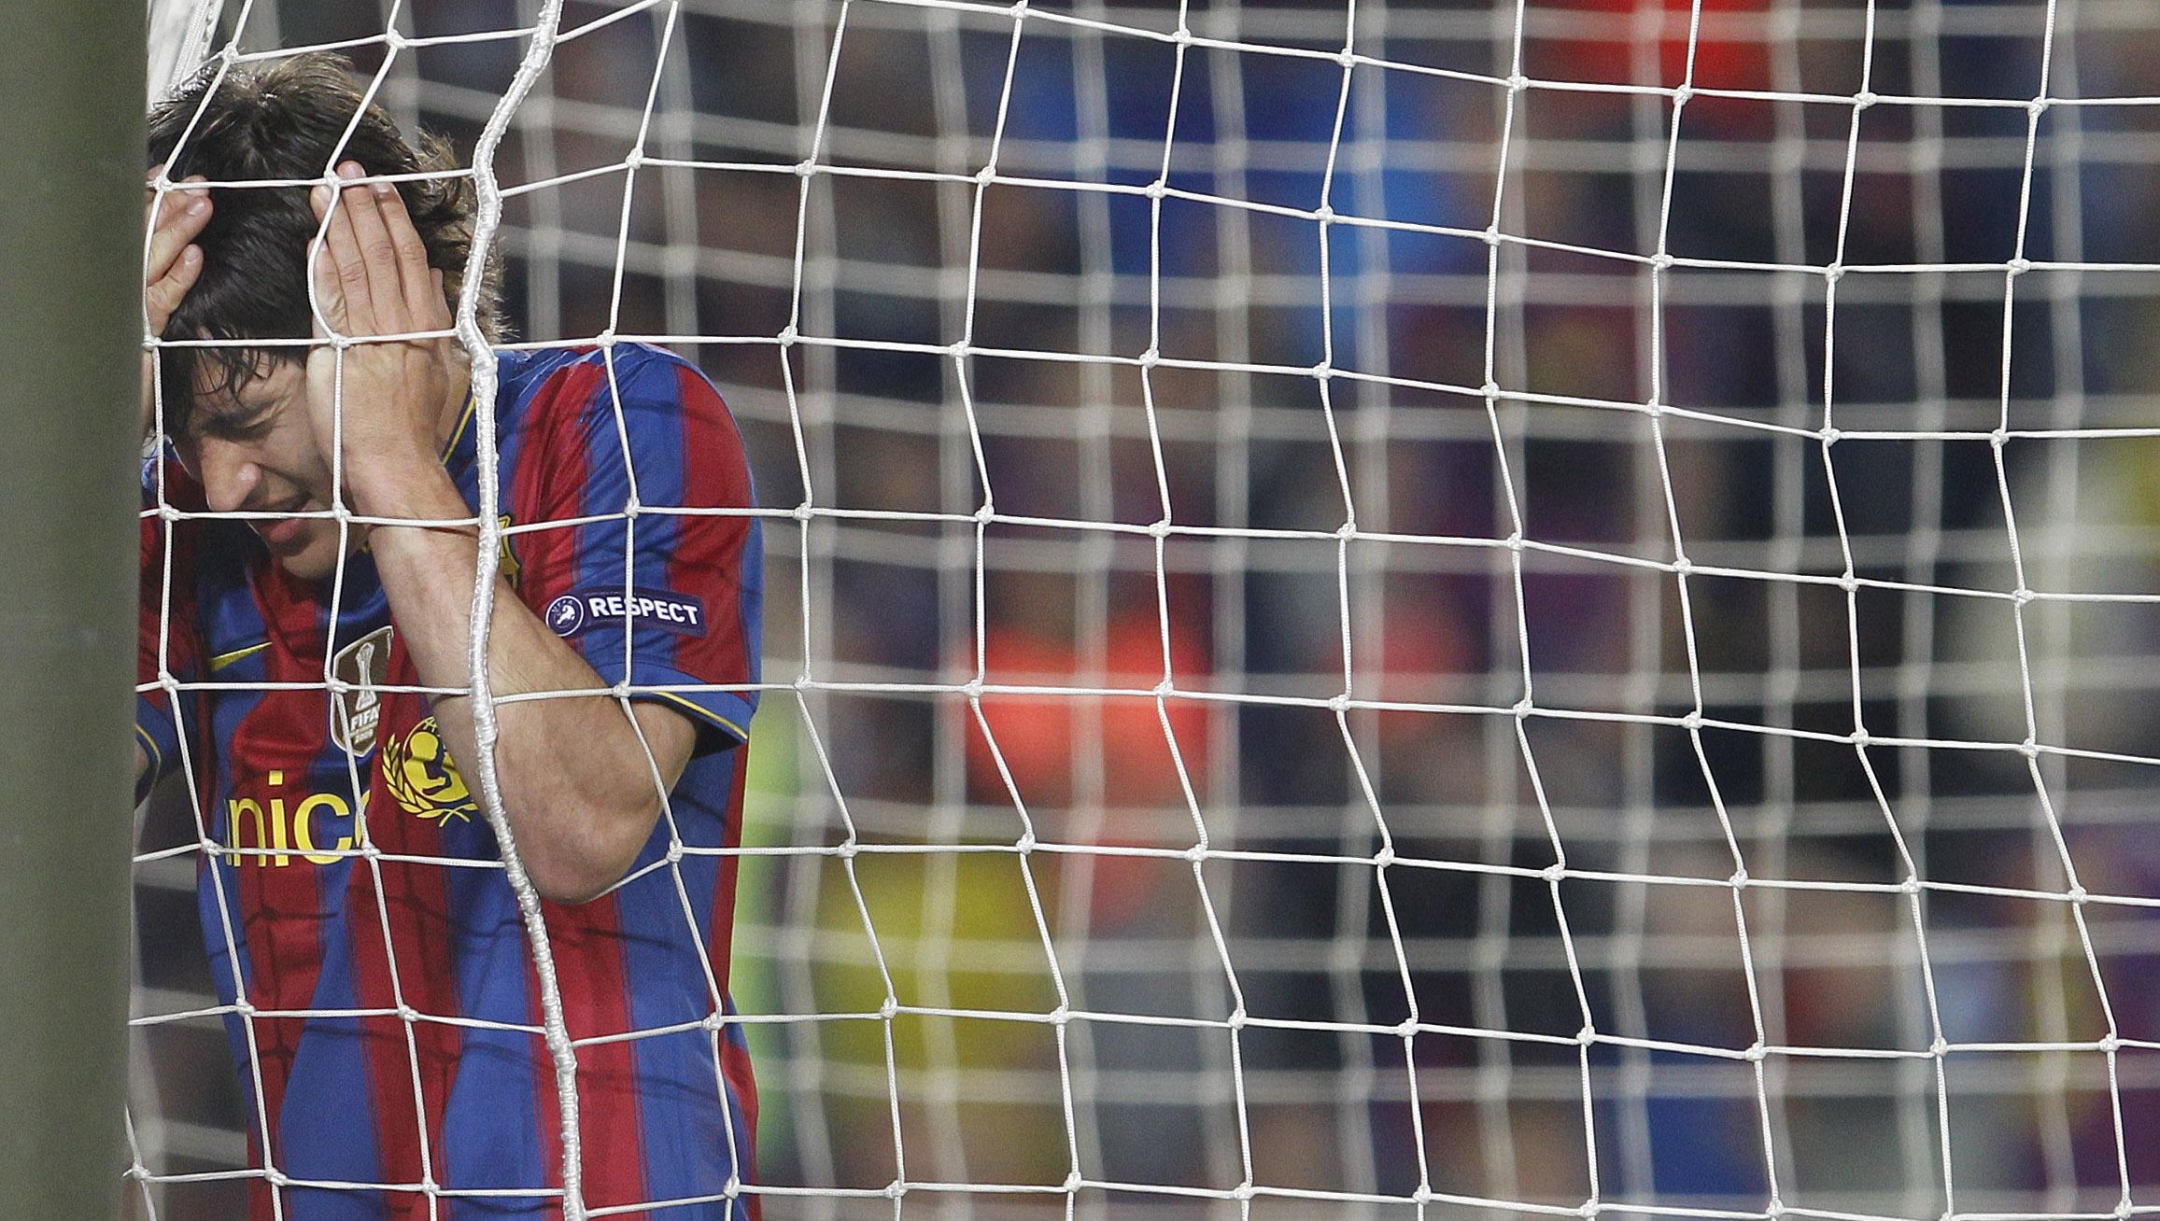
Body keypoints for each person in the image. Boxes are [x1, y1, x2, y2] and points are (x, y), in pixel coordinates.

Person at [136, 53, 762, 1220]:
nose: (218, 485)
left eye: (248, 420)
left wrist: (389, 463)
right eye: (182, 433)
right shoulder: (177, 524)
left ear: (389, 323)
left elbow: (580, 830)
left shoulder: (615, 420)